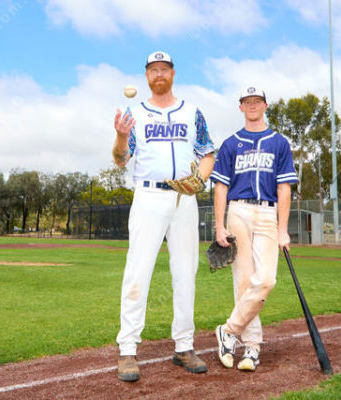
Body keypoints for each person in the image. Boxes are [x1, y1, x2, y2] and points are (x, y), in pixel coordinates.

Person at [112, 51, 215, 382]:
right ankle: (128, 349)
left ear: (173, 73)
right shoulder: (135, 114)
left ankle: (184, 346)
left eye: (164, 69)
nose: (159, 74)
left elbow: (207, 153)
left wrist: (200, 179)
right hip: (148, 196)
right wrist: (121, 136)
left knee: (185, 272)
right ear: (146, 76)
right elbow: (120, 159)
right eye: (153, 70)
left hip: (184, 199)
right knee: (138, 271)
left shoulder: (191, 111)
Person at [210, 86, 298, 371]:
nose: (252, 105)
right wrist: (219, 226)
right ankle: (251, 347)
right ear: (240, 107)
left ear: (265, 105)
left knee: (266, 280)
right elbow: (220, 187)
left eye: (256, 101)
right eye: (247, 101)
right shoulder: (230, 143)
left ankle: (229, 331)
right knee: (244, 281)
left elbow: (284, 188)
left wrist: (283, 228)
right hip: (238, 211)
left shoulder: (279, 143)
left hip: (268, 212)